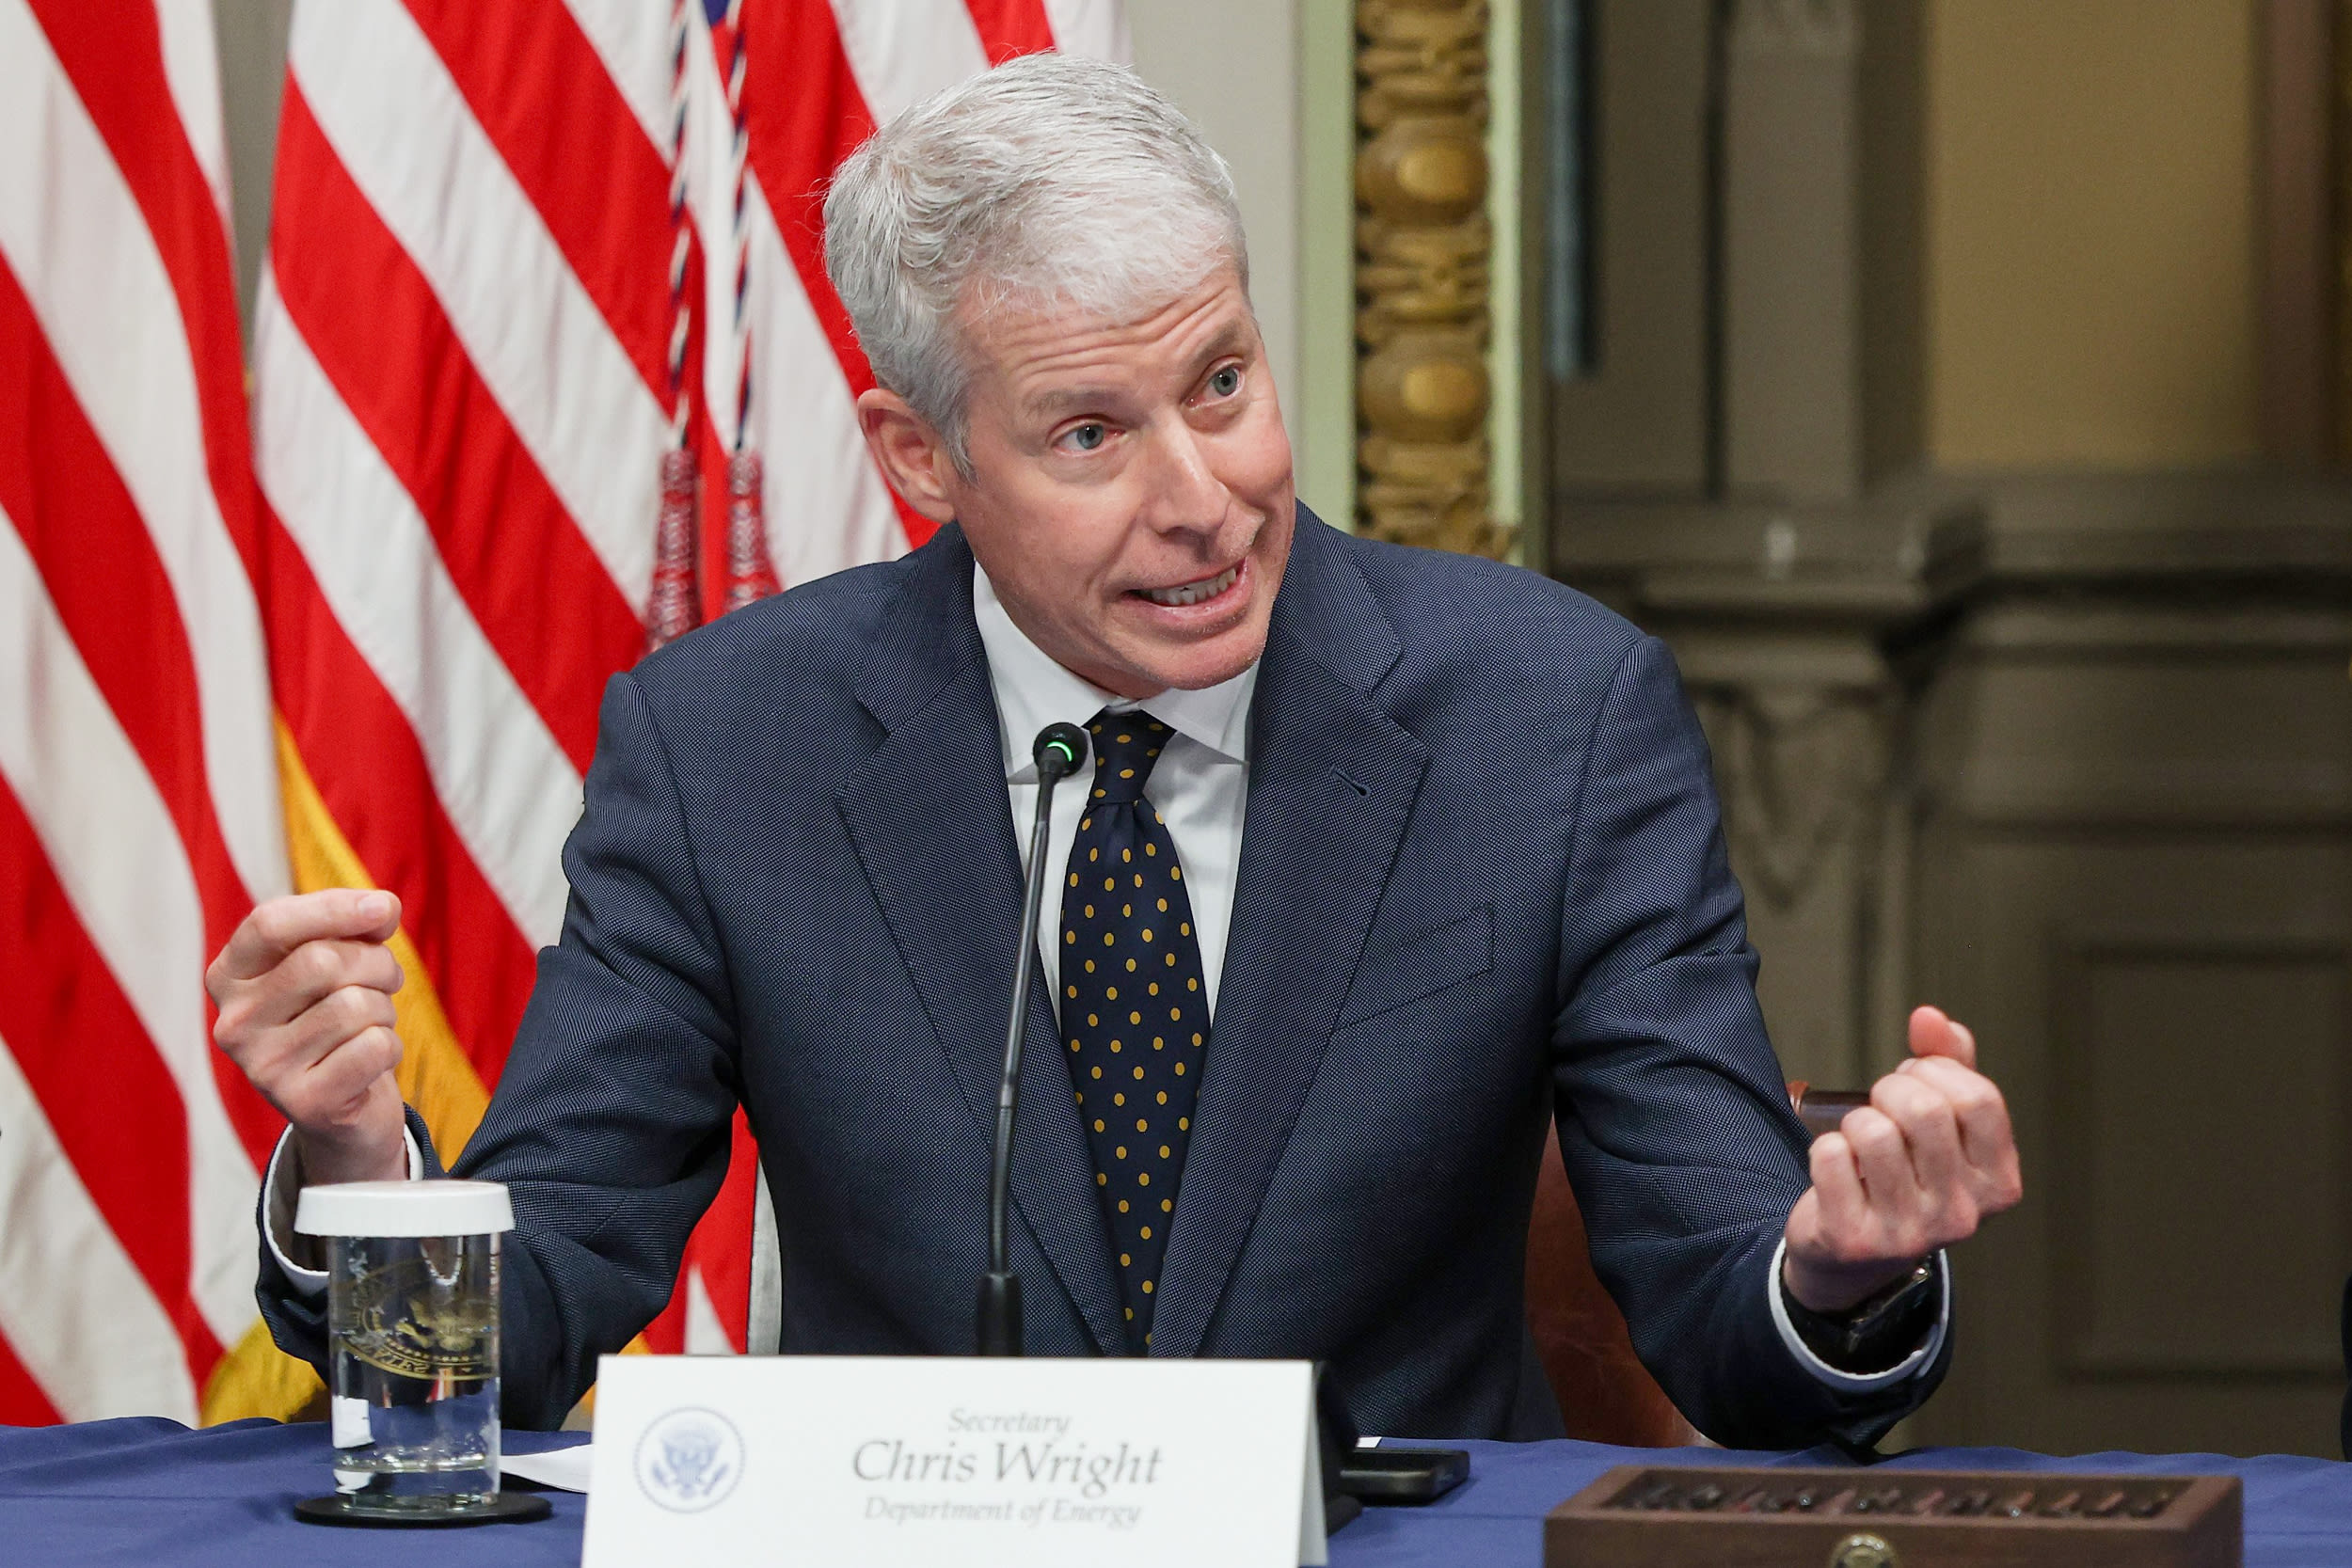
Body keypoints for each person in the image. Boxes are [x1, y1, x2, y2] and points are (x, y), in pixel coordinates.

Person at [206, 54, 2020, 1446]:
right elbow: (521, 1330)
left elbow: (1730, 1310)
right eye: (1091, 434)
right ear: (921, 457)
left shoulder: (1550, 715)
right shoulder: (731, 746)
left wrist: (1832, 1272)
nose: (1205, 496)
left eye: (1222, 383)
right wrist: (365, 1168)